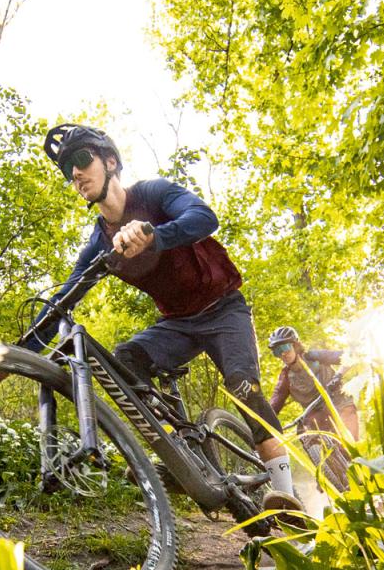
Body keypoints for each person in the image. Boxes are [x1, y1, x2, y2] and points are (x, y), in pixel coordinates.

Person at [26, 124, 299, 514]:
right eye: (68, 167)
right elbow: (62, 300)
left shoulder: (153, 194)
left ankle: (287, 497)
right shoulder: (99, 243)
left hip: (224, 309)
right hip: (178, 324)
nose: (75, 173)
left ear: (111, 162)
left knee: (243, 387)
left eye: (82, 159)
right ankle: (177, 451)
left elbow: (204, 218)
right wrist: (21, 353)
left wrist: (153, 234)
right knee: (124, 361)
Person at [267, 326, 360, 441]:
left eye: (285, 347)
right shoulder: (286, 377)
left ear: (296, 346)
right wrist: (262, 421)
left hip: (340, 404)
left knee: (350, 443)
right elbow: (275, 401)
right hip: (318, 415)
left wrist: (338, 376)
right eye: (277, 351)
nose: (283, 354)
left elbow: (348, 357)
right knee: (307, 436)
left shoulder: (314, 357)